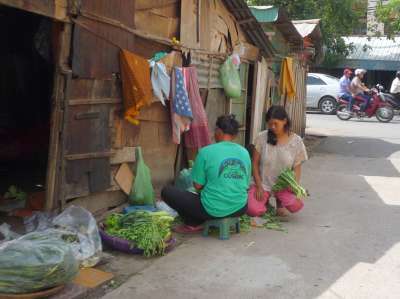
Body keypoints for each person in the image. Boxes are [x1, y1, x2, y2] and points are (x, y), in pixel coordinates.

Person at [161, 115, 251, 233]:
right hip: (240, 207)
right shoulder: (244, 152)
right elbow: (246, 184)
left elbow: (197, 186)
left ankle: (192, 223)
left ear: (218, 131)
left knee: (167, 191)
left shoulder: (206, 152)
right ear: (234, 135)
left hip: (212, 209)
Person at [250, 106, 308, 217]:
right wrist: (258, 185)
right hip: (263, 184)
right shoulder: (261, 137)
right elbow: (255, 163)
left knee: (295, 206)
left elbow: (297, 168)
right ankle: (265, 201)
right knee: (253, 210)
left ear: (285, 121)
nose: (272, 127)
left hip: (283, 186)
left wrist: (294, 185)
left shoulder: (296, 141)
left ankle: (279, 201)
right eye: (270, 124)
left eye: (276, 124)